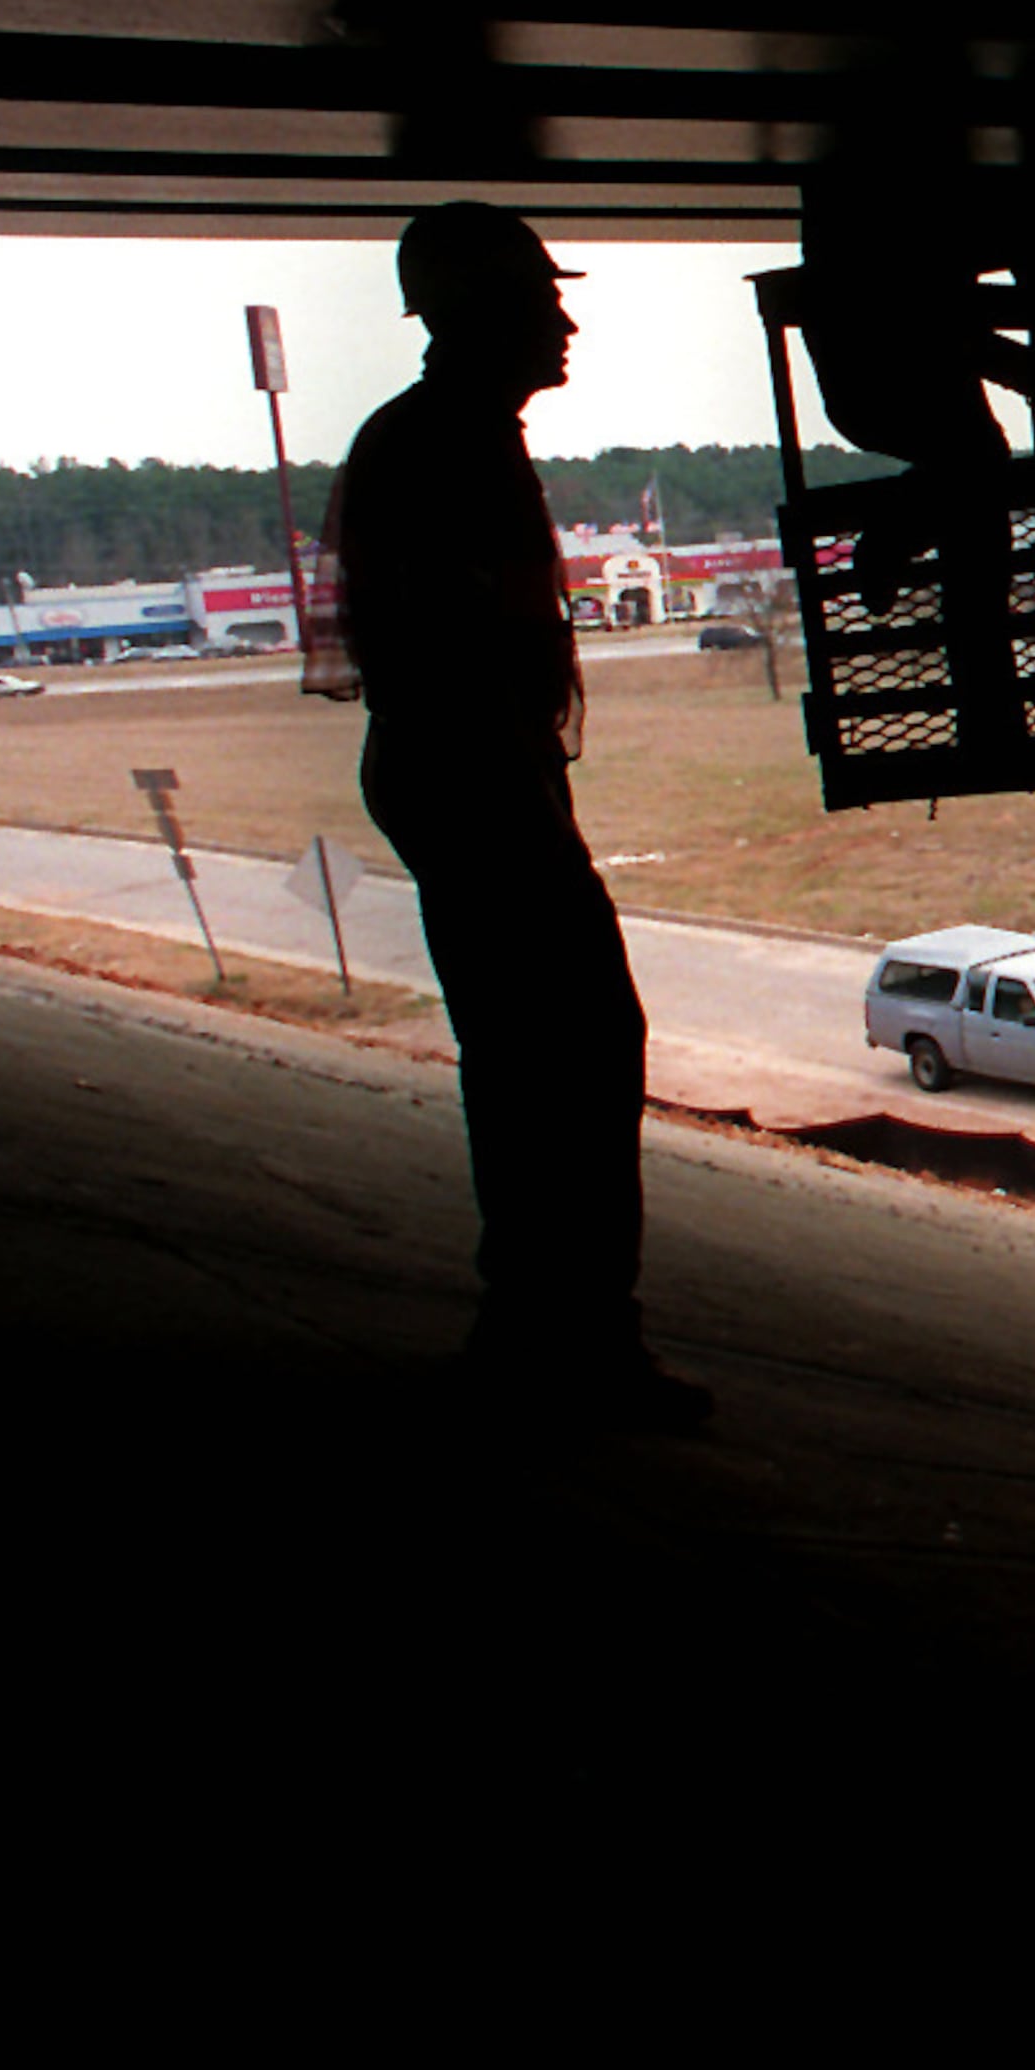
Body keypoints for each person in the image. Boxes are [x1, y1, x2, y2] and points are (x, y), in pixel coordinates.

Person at [322, 204, 708, 1430]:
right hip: (476, 778)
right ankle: (576, 1345)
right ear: (479, 311)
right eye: (543, 298)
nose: (566, 318)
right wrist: (521, 797)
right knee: (580, 1050)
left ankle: (535, 1329)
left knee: (531, 1056)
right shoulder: (447, 447)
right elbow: (449, 645)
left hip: (469, 774)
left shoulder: (444, 434)